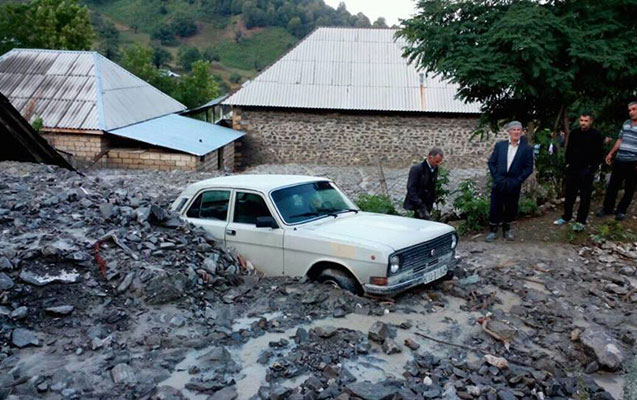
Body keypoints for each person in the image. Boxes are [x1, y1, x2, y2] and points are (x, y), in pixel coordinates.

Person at [553, 112, 604, 230]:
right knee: (569, 194)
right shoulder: (574, 134)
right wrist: (568, 163)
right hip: (573, 168)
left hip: (587, 170)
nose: (583, 123)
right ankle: (566, 216)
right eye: (581, 120)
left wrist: (592, 168)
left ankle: (581, 221)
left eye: (586, 121)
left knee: (585, 196)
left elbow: (599, 153)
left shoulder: (596, 135)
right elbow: (569, 149)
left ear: (591, 121)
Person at [486, 121, 534, 242]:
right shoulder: (500, 146)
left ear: (522, 132)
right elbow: (491, 163)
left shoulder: (526, 149)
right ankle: (493, 230)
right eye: (514, 130)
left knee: (511, 207)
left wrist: (518, 180)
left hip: (514, 183)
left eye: (519, 130)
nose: (516, 132)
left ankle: (507, 230)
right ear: (508, 132)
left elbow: (529, 168)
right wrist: (496, 177)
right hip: (499, 181)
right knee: (495, 206)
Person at [597, 101, 637, 221]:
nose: (631, 112)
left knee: (630, 188)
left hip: (633, 161)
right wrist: (611, 153)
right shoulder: (626, 123)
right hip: (620, 159)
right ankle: (607, 208)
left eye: (634, 109)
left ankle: (621, 211)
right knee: (613, 185)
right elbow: (620, 140)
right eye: (629, 110)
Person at [404, 147, 444, 220]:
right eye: (437, 161)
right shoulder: (417, 169)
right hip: (416, 204)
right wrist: (419, 204)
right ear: (430, 157)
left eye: (439, 162)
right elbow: (411, 188)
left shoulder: (435, 168)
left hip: (427, 204)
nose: (438, 164)